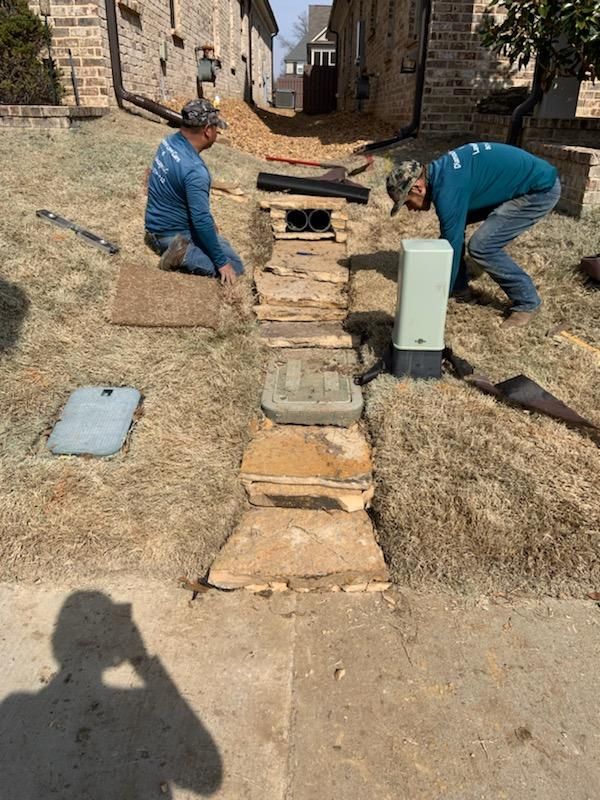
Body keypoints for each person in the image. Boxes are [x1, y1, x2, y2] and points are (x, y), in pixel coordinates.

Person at [386, 143, 561, 328]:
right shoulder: (444, 173)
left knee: (482, 246)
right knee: (453, 228)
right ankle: (459, 286)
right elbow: (451, 237)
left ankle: (528, 302)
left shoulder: (448, 190)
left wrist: (442, 295)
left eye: (407, 202)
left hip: (539, 190)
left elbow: (452, 247)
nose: (410, 209)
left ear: (417, 188)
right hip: (522, 181)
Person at [144, 98, 243, 285]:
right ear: (207, 130)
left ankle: (184, 248)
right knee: (235, 266)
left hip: (154, 228)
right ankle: (180, 255)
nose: (217, 132)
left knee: (217, 240)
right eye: (216, 128)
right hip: (170, 236)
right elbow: (200, 219)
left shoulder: (168, 142)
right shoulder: (195, 171)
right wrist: (222, 264)